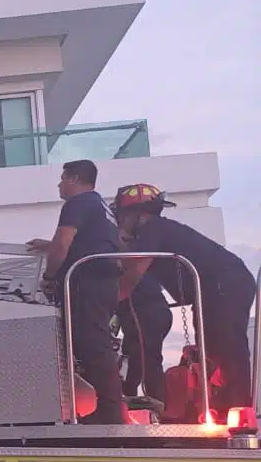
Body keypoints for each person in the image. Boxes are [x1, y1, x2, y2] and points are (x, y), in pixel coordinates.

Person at [113, 182, 257, 415]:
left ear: (137, 215)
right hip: (217, 287)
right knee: (210, 346)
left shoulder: (153, 227)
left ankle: (239, 408)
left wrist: (111, 302)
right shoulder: (157, 231)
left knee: (228, 345)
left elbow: (134, 271)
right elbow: (129, 262)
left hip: (225, 285)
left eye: (122, 216)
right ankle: (222, 404)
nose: (120, 221)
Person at [27, 159, 128, 424]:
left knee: (92, 346)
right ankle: (111, 408)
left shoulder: (77, 203)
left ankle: (110, 411)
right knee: (94, 343)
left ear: (74, 179)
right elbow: (89, 243)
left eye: (62, 178)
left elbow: (64, 243)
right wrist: (48, 245)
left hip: (87, 282)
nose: (59, 184)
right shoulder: (102, 207)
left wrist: (49, 277)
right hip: (104, 281)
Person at [115, 220, 173, 405]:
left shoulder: (129, 263)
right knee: (135, 356)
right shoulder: (131, 262)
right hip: (152, 313)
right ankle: (131, 395)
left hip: (148, 313)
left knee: (146, 359)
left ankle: (156, 403)